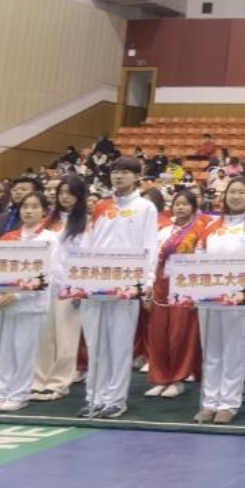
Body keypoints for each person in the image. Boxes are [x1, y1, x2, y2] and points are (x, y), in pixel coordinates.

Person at [78, 157, 159, 419]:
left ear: (137, 176)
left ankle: (115, 399)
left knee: (120, 344)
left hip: (126, 285)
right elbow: (87, 243)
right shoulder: (101, 206)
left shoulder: (145, 207)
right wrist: (79, 278)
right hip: (95, 284)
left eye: (124, 172)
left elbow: (150, 246)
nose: (118, 176)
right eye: (114, 172)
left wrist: (147, 281)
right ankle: (94, 398)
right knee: (95, 343)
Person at [191, 179, 245, 425]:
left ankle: (228, 403)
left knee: (234, 351)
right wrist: (194, 287)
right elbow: (198, 256)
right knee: (211, 351)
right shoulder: (210, 226)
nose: (236, 196)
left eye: (241, 192)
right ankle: (209, 402)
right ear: (224, 196)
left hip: (240, 298)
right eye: (232, 192)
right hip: (210, 297)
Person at [0, 192, 61, 412]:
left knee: (24, 350)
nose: (28, 210)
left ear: (44, 212)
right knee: (4, 350)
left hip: (31, 304)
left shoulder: (49, 238)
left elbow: (48, 273)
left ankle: (19, 394)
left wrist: (17, 294)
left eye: (34, 206)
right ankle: (1, 393)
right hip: (3, 303)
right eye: (25, 206)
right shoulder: (8, 237)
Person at [145, 191, 211, 400]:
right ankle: (161, 378)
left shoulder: (200, 230)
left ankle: (177, 380)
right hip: (161, 285)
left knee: (179, 335)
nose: (180, 207)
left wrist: (197, 292)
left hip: (184, 286)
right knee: (158, 335)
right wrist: (149, 285)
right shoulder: (164, 230)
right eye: (177, 204)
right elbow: (152, 260)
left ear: (193, 207)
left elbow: (201, 261)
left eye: (185, 204)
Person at [30, 178, 88, 401]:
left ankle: (59, 383)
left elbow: (87, 256)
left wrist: (80, 287)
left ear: (79, 196)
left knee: (66, 338)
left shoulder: (86, 223)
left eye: (70, 193)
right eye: (61, 192)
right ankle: (39, 380)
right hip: (45, 287)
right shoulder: (48, 222)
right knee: (43, 337)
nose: (64, 197)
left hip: (69, 287)